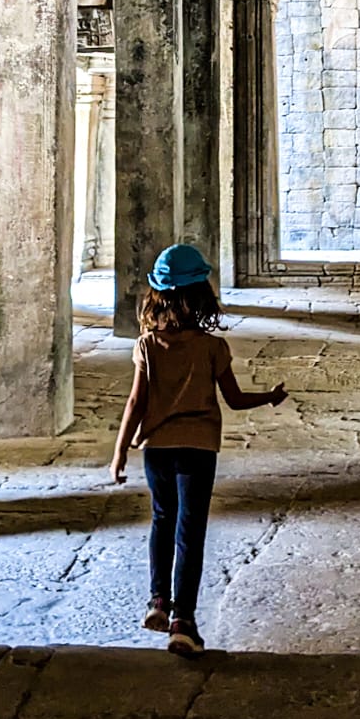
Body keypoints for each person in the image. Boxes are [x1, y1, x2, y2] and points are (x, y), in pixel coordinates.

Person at [110, 242, 287, 655]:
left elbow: (135, 403)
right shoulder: (212, 348)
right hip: (198, 449)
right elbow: (235, 400)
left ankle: (158, 600)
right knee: (190, 532)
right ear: (202, 296)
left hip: (157, 449)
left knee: (162, 520)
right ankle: (183, 622)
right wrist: (269, 397)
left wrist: (120, 452)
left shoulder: (147, 345)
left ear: (158, 295)